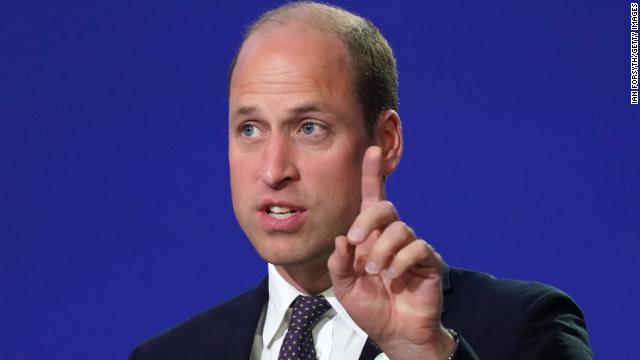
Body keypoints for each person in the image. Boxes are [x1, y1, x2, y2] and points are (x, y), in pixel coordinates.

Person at [129, 2, 592, 359]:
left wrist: (424, 353)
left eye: (309, 127)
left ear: (386, 141)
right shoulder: (167, 354)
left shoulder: (525, 326)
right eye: (250, 129)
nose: (273, 170)